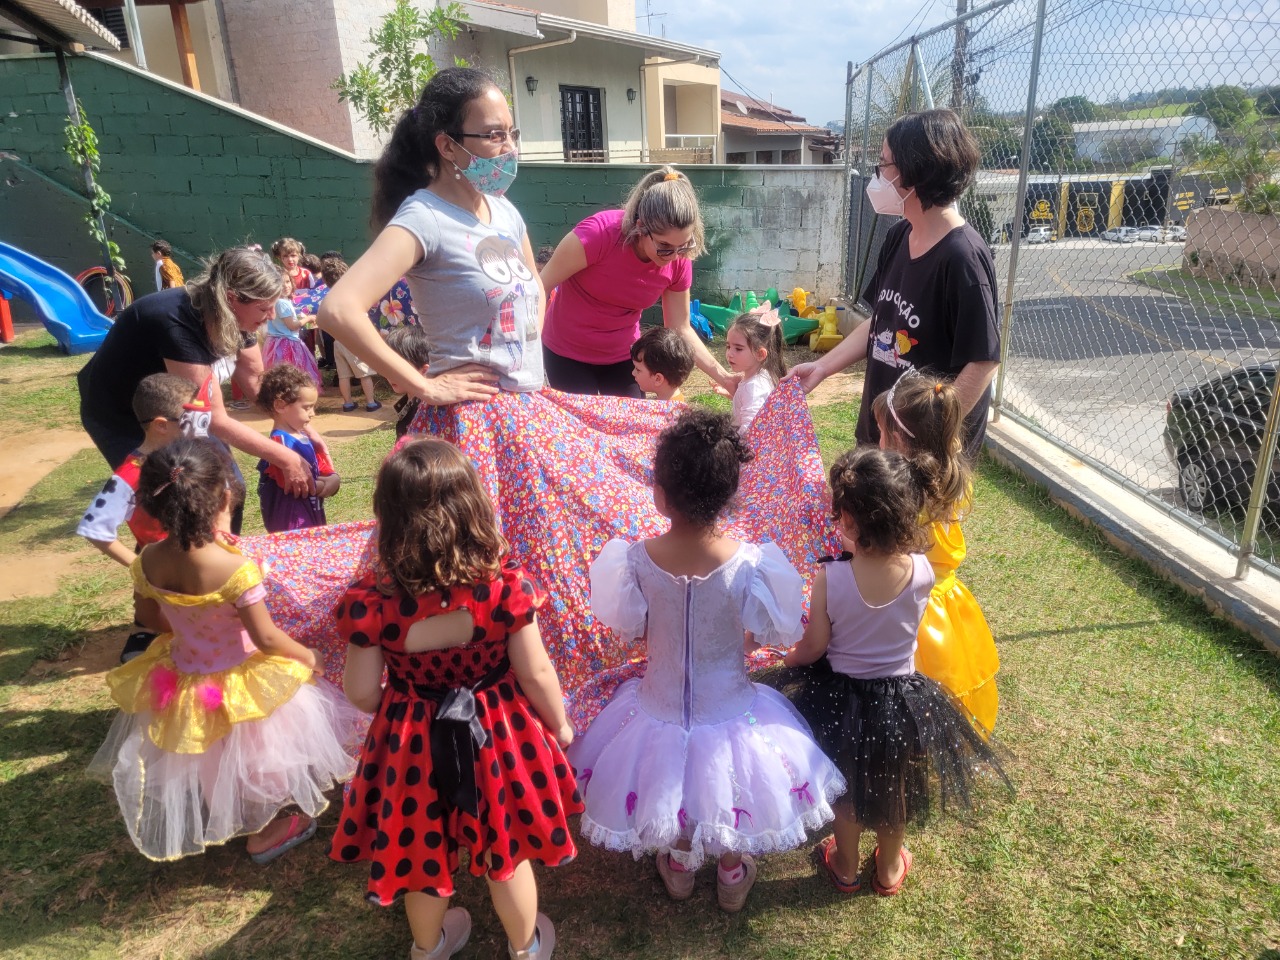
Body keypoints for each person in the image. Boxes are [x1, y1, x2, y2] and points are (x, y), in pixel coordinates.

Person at [567, 410, 844, 912]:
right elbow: (772, 630)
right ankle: (731, 871)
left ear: (661, 493)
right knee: (727, 786)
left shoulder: (633, 559)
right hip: (730, 704)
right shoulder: (752, 562)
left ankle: (677, 865)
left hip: (659, 703)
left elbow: (633, 626)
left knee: (670, 779)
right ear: (729, 495)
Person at [332, 440, 580, 960]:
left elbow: (359, 691)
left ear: (388, 514)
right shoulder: (504, 589)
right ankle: (526, 946)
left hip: (410, 741)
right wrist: (559, 725)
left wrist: (403, 709)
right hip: (498, 734)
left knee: (420, 851)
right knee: (505, 849)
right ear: (473, 508)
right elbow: (534, 671)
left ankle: (429, 947)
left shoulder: (372, 602)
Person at [88, 439, 361, 863]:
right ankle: (264, 830)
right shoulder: (236, 569)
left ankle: (228, 812)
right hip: (240, 676)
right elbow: (267, 637)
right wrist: (309, 657)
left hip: (183, 673)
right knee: (258, 750)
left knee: (210, 749)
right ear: (225, 497)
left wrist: (188, 626)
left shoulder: (147, 561)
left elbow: (148, 616)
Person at [779, 446, 1009, 895]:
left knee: (845, 789)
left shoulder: (829, 577)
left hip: (842, 701)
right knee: (895, 785)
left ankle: (844, 864)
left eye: (839, 515)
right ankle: (887, 870)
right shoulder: (924, 570)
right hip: (903, 701)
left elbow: (815, 646)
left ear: (850, 520)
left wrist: (788, 659)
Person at [787, 109, 1000, 461]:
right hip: (884, 432)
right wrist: (823, 367)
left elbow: (983, 362)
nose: (878, 175)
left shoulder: (963, 258)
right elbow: (881, 322)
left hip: (922, 450)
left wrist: (929, 437)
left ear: (915, 173)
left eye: (884, 164)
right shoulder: (899, 235)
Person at [78, 246, 324, 534]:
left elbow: (257, 381)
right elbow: (213, 419)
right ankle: (170, 573)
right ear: (232, 298)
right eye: (263, 307)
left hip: (176, 402)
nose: (271, 316)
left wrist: (299, 426)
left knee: (229, 490)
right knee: (172, 504)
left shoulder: (239, 316)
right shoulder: (177, 322)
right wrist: (285, 457)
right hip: (123, 415)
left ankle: (221, 567)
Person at [538, 167, 735, 398]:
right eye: (664, 246)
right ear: (641, 227)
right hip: (566, 352)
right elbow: (540, 286)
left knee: (631, 425)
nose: (673, 255)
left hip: (623, 355)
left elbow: (680, 327)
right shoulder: (598, 235)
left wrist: (725, 377)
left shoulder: (679, 259)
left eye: (683, 245)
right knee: (583, 430)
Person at [874, 371, 1000, 733]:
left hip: (911, 606)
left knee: (911, 685)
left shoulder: (902, 493)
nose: (877, 441)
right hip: (950, 600)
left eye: (882, 433)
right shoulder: (953, 476)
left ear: (897, 440)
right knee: (951, 677)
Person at [77, 373, 194, 663]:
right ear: (161, 426)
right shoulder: (130, 476)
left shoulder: (187, 460)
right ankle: (144, 631)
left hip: (194, 564)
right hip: (161, 569)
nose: (200, 428)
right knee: (157, 619)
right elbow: (96, 528)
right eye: (191, 420)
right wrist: (141, 569)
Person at [256, 364, 339, 533]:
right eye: (307, 407)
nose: (313, 413)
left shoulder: (301, 436)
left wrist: (331, 478)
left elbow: (319, 468)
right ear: (280, 406)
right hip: (292, 520)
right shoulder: (280, 443)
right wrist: (328, 484)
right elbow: (296, 485)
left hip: (310, 511)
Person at [320, 257, 382, 412]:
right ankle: (370, 402)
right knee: (364, 373)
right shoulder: (349, 296)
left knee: (343, 375)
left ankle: (347, 403)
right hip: (352, 341)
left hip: (338, 342)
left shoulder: (328, 298)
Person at [726, 302, 787, 434]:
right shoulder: (762, 377)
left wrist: (732, 447)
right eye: (728, 346)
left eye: (738, 348)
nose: (729, 353)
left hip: (747, 452)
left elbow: (750, 430)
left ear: (760, 354)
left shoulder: (754, 386)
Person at [262, 272, 324, 390]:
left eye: (287, 281)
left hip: (276, 343)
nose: (286, 286)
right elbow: (292, 326)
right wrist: (308, 318)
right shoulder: (282, 303)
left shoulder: (274, 301)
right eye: (281, 283)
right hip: (288, 343)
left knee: (280, 375)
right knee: (294, 373)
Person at [385, 324, 431, 438]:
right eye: (386, 366)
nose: (389, 374)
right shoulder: (409, 401)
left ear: (424, 370)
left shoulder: (427, 412)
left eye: (398, 368)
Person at [629, 326, 693, 403]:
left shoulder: (667, 413)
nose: (633, 373)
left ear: (658, 379)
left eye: (638, 370)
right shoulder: (675, 404)